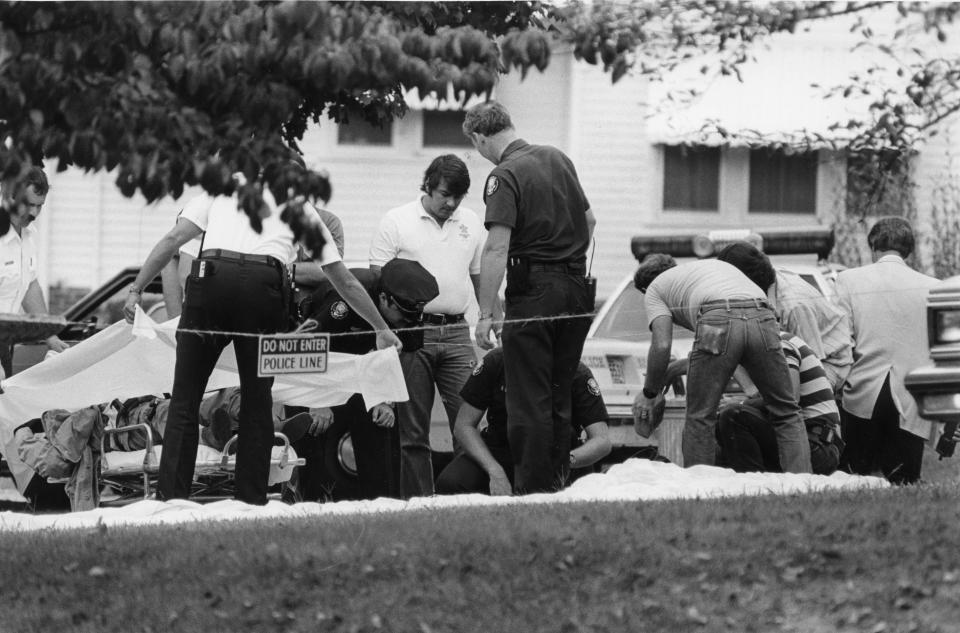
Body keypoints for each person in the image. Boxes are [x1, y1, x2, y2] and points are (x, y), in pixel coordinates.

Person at [122, 168, 402, 506]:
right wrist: (381, 329)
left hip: (210, 279)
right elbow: (342, 279)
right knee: (257, 403)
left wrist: (137, 290)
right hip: (263, 287)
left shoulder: (221, 186)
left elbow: (172, 241)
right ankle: (250, 502)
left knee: (185, 400)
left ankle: (171, 499)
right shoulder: (297, 203)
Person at [463, 101, 596, 493]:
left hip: (535, 292)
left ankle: (532, 493)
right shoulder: (557, 158)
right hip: (576, 289)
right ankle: (557, 485)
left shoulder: (503, 175)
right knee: (559, 394)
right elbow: (589, 220)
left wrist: (486, 313)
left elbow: (496, 248)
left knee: (528, 399)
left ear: (480, 137)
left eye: (476, 146)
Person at [368, 154, 484, 498]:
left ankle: (468, 500)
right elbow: (379, 280)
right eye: (444, 194)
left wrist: (491, 317)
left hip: (458, 329)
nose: (450, 203)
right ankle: (418, 503)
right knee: (412, 430)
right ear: (428, 185)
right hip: (411, 332)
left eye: (458, 197)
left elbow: (478, 275)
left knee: (469, 424)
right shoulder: (397, 220)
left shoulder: (472, 221)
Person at [630, 254, 811, 473]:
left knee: (700, 417)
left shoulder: (654, 289)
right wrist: (750, 388)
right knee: (786, 412)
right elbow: (730, 347)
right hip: (762, 314)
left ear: (642, 289)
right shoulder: (702, 272)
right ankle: (802, 482)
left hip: (716, 316)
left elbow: (661, 344)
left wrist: (650, 394)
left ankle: (702, 491)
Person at [293, 257, 440, 501]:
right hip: (315, 369)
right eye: (402, 317)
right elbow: (307, 346)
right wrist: (317, 401)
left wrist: (385, 400)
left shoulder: (409, 315)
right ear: (384, 298)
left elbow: (396, 357)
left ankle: (383, 506)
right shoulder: (346, 299)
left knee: (382, 426)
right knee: (316, 431)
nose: (405, 323)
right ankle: (313, 508)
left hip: (361, 371)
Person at [834, 216, 939, 484]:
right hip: (912, 397)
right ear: (909, 250)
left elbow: (841, 341)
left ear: (873, 245)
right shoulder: (934, 288)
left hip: (862, 390)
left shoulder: (847, 279)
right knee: (904, 481)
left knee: (853, 479)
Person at [435, 347, 611, 495]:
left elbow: (602, 440)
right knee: (450, 484)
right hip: (500, 451)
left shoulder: (575, 371)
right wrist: (494, 471)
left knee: (582, 495)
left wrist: (567, 461)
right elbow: (464, 426)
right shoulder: (496, 362)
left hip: (556, 455)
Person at [716, 241, 853, 393]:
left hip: (829, 364)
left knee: (787, 400)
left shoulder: (794, 306)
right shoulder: (764, 286)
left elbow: (811, 368)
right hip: (788, 362)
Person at [716, 331, 845, 476]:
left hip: (818, 446)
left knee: (734, 416)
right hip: (807, 439)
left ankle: (753, 487)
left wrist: (741, 402)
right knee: (722, 423)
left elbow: (789, 400)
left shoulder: (780, 345)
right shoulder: (765, 347)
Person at [0, 167, 68, 376]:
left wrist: (50, 336)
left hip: (5, 344)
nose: (34, 213)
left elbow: (30, 286)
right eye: (29, 204)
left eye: (40, 206)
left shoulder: (29, 235)